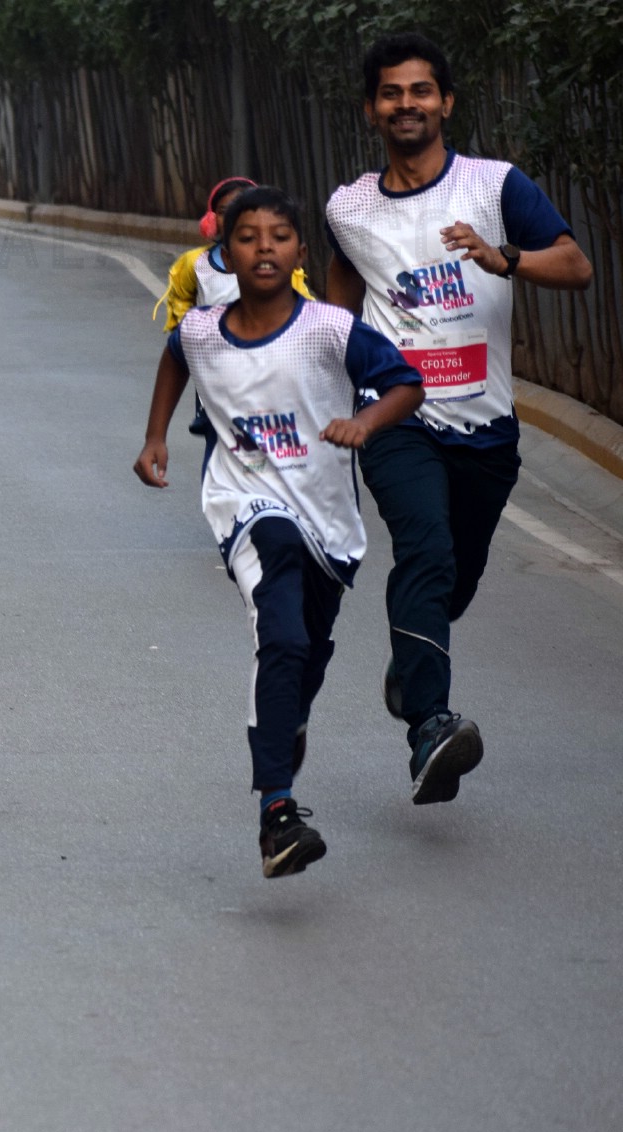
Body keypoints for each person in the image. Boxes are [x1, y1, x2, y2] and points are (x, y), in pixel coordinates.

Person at [325, 33, 593, 803]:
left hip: (487, 425)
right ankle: (431, 729)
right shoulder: (349, 206)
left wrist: (501, 257)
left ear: (445, 101)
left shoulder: (495, 184)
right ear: (371, 108)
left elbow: (575, 265)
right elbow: (343, 297)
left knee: (454, 579)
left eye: (420, 91)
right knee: (427, 550)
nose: (405, 104)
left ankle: (414, 664)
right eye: (390, 93)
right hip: (396, 414)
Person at [135, 188, 426, 877]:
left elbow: (406, 385)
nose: (264, 247)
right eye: (247, 237)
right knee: (284, 631)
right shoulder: (203, 328)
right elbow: (176, 353)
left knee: (308, 650)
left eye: (279, 236)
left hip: (328, 518)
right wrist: (156, 437)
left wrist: (365, 424)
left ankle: (284, 721)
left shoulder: (330, 328)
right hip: (245, 506)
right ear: (223, 253)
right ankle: (277, 815)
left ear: (300, 252)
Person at [157, 178, 314, 436]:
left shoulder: (272, 265)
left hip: (266, 347)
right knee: (217, 429)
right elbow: (181, 295)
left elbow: (302, 299)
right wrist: (187, 324)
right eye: (222, 212)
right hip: (214, 350)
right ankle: (209, 417)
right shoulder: (195, 263)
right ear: (211, 220)